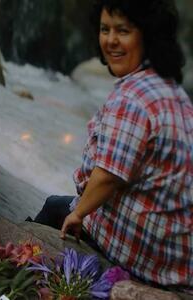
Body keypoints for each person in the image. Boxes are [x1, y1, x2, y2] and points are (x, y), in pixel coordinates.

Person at [35, 0, 192, 287]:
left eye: (123, 31)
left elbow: (109, 175)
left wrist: (79, 213)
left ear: (146, 34)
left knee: (54, 209)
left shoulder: (133, 98)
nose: (110, 40)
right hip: (175, 247)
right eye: (105, 29)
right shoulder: (168, 88)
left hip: (143, 249)